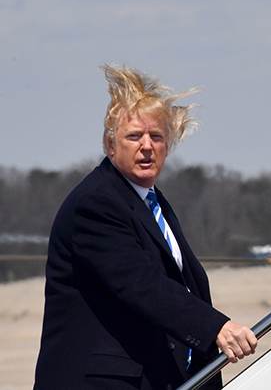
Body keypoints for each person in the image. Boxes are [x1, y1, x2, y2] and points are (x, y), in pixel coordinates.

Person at [34, 65, 257, 390]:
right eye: (134, 136)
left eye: (157, 137)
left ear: (169, 146)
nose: (147, 146)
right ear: (110, 145)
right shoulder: (96, 203)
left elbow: (183, 286)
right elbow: (141, 283)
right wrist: (215, 328)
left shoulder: (151, 201)